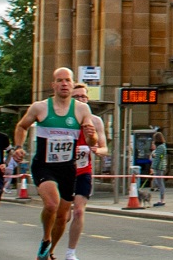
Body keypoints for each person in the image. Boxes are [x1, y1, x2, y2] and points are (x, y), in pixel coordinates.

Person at [15, 66, 95, 259]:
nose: (64, 84)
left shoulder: (82, 109)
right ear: (53, 85)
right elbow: (21, 126)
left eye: (67, 80)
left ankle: (49, 250)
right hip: (44, 165)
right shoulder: (40, 107)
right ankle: (45, 238)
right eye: (59, 80)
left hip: (68, 168)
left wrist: (90, 137)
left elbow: (93, 143)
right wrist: (17, 147)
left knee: (62, 216)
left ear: (73, 83)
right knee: (52, 204)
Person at [64, 83, 108, 259]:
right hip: (64, 171)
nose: (81, 100)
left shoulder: (96, 121)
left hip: (84, 171)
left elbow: (105, 148)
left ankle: (70, 252)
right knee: (63, 215)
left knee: (79, 211)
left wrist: (97, 150)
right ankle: (49, 241)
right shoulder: (65, 120)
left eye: (83, 96)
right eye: (77, 97)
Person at [151, 131, 168, 206]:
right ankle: (161, 199)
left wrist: (152, 167)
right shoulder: (162, 147)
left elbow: (158, 158)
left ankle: (162, 200)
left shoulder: (160, 147)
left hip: (159, 167)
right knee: (159, 183)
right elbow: (160, 156)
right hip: (160, 167)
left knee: (160, 183)